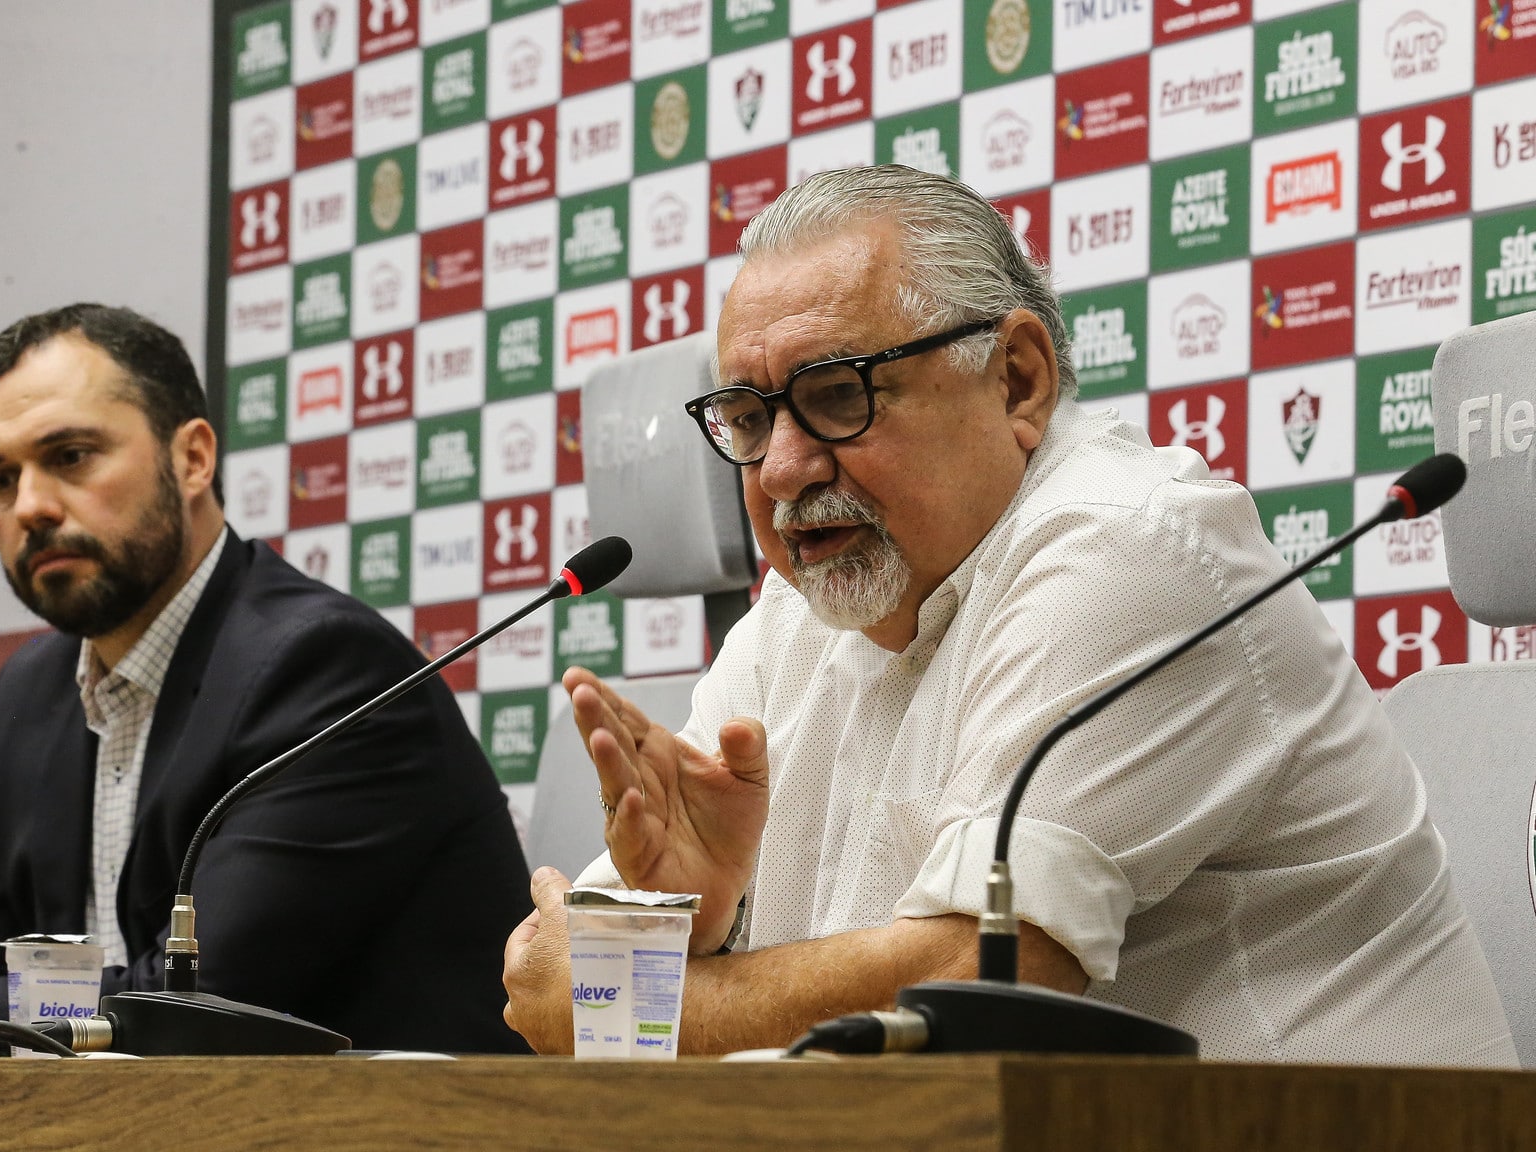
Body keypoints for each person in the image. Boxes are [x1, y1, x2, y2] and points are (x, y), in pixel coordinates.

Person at [501, 166, 1517, 1065]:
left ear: (1016, 377)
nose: (782, 469)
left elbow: (984, 979)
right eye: (752, 418)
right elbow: (577, 955)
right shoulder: (797, 617)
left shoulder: (1131, 548)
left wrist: (643, 996)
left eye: (836, 395)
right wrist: (703, 932)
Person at [0, 303, 531, 1053]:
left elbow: (197, 1006)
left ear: (193, 458)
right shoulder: (29, 696)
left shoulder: (321, 669)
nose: (30, 506)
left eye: (70, 456)